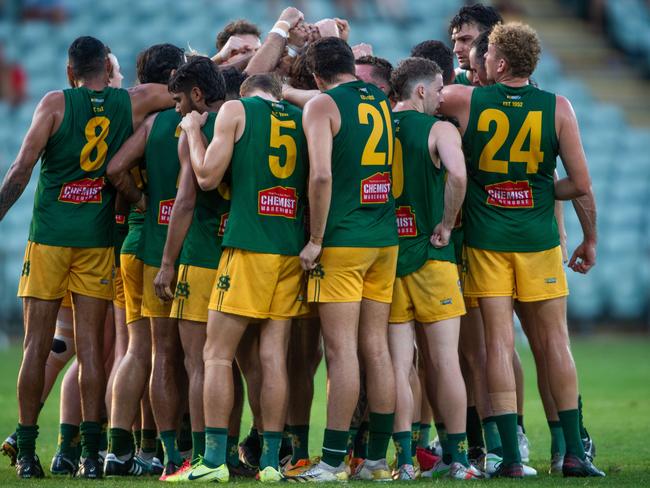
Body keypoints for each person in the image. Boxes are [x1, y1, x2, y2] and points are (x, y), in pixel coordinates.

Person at [0, 35, 174, 479]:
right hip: (96, 244)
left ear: (70, 70)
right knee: (94, 350)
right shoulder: (127, 102)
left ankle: (25, 451)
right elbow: (187, 85)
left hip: (51, 241)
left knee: (36, 347)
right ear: (105, 67)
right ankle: (92, 457)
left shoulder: (55, 103)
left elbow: (21, 169)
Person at [438, 22, 604, 478]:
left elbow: (420, 100)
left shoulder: (465, 100)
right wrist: (537, 188)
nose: (480, 61)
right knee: (555, 344)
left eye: (486, 55)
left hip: (488, 243)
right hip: (539, 243)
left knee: (497, 345)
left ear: (500, 63)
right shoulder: (559, 107)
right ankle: (573, 452)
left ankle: (511, 457)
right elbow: (581, 184)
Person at [180, 73, 308, 483]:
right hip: (289, 249)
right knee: (273, 358)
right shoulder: (301, 118)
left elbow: (206, 177)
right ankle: (271, 463)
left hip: (247, 247)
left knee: (216, 355)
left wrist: (191, 133)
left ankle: (214, 460)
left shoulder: (236, 109)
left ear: (245, 91)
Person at [292, 37, 397, 482]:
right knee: (376, 347)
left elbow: (320, 174)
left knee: (340, 352)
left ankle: (333, 462)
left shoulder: (322, 105)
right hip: (384, 238)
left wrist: (315, 238)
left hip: (343, 239)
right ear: (351, 66)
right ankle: (374, 461)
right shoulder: (379, 99)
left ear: (317, 76)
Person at [388, 57, 482, 481]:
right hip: (432, 256)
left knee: (397, 366)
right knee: (445, 362)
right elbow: (458, 176)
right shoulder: (440, 129)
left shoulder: (378, 125)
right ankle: (459, 460)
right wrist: (446, 224)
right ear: (421, 90)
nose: (445, 96)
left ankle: (404, 462)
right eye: (440, 88)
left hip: (386, 259)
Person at [448, 3, 502, 85]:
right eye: (454, 41)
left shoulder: (520, 82)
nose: (456, 49)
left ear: (491, 37)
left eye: (465, 39)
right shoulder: (448, 85)